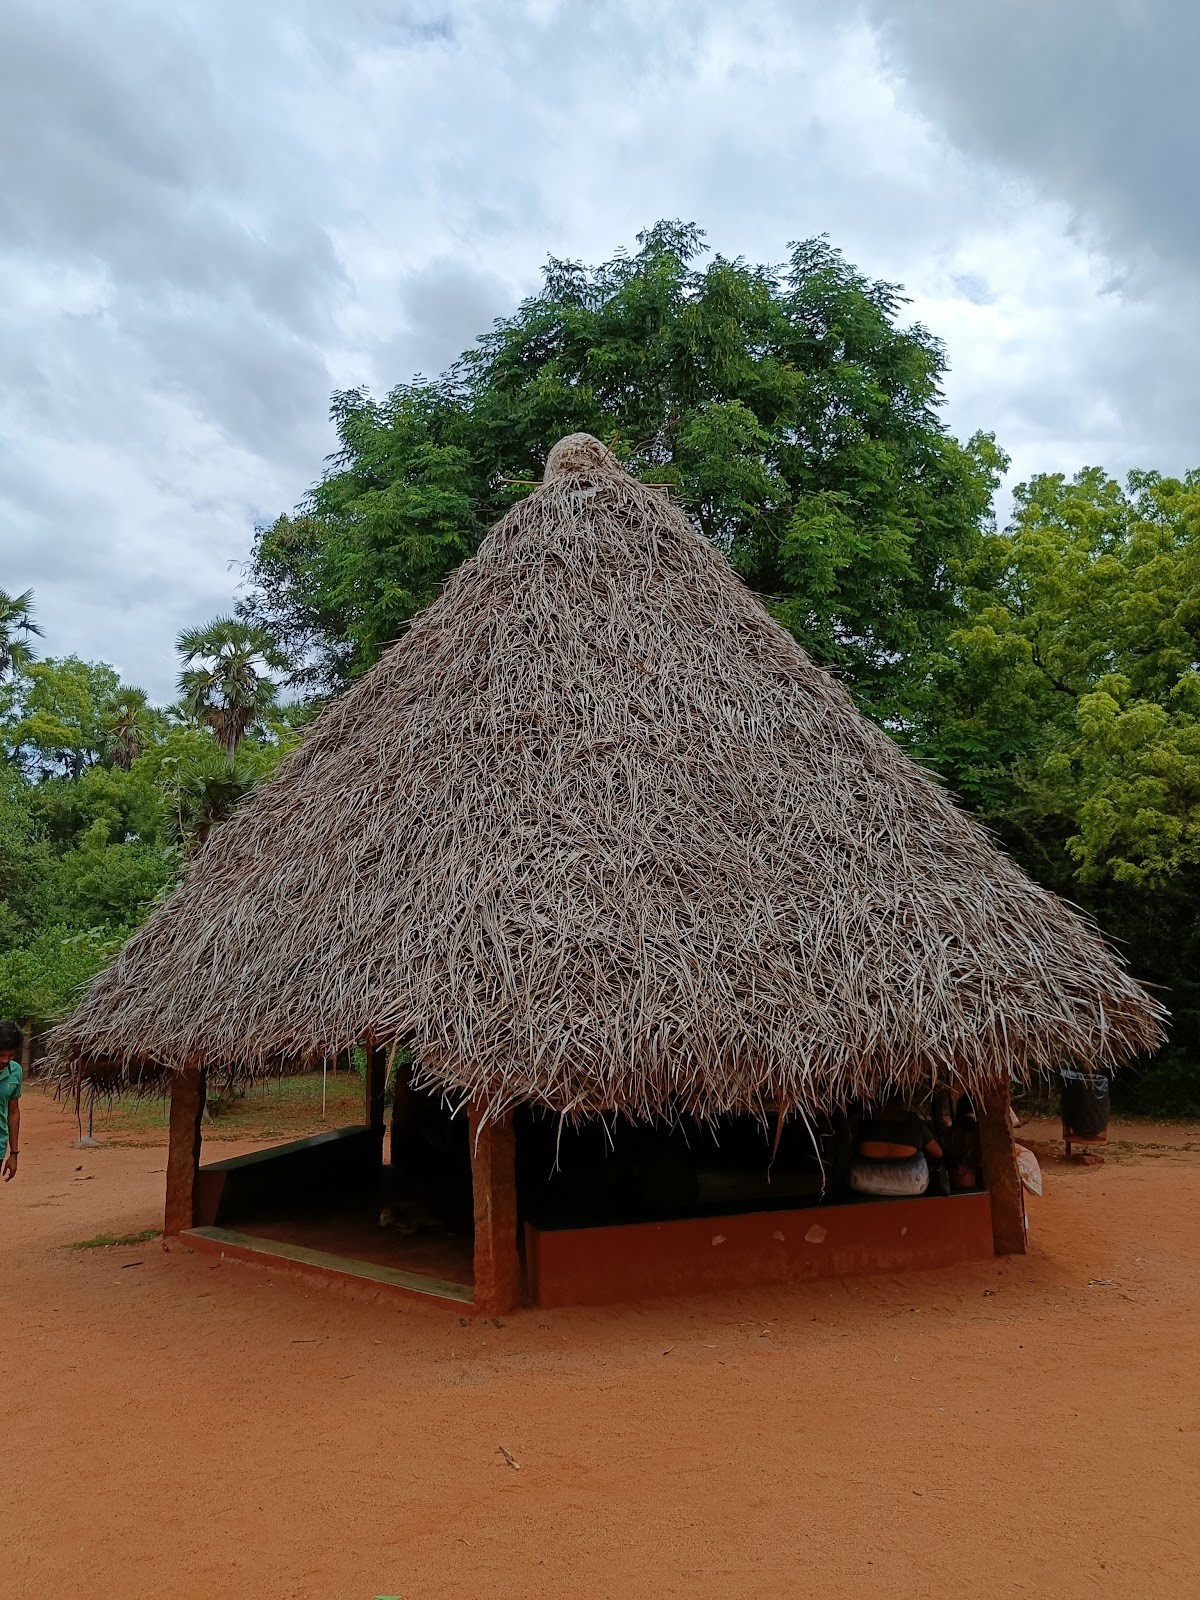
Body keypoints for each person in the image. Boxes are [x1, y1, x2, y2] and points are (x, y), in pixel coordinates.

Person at [850, 1094, 943, 1197]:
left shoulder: (864, 1118)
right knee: (920, 1155)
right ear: (900, 1101)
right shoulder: (913, 1120)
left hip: (862, 1181)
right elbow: (937, 1153)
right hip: (913, 1183)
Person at [0, 1020, 23, 1183]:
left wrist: (14, 1153)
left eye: (11, 1055)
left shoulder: (15, 1071)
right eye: (1, 1055)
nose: (6, 1060)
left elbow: (13, 1111)